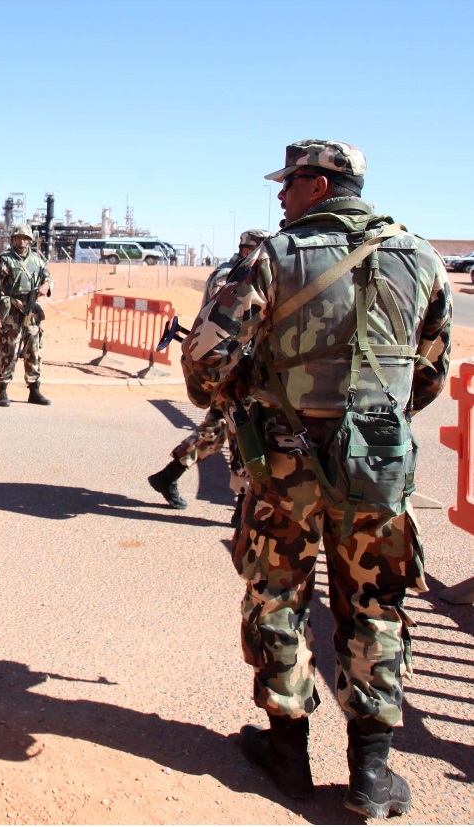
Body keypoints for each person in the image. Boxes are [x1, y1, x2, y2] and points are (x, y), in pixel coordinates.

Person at [181, 140, 451, 818]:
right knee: (375, 606)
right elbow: (431, 370)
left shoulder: (273, 258)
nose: (280, 196)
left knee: (278, 597)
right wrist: (372, 425)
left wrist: (253, 393)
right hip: (378, 471)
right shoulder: (422, 257)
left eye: (290, 183)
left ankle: (288, 755)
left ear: (321, 186)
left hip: (284, 469)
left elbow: (204, 367)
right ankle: (371, 774)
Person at [147, 228, 271, 511]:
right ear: (247, 249)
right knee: (244, 430)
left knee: (218, 429)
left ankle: (168, 476)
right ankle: (242, 504)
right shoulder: (230, 277)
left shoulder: (238, 273)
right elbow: (226, 328)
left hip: (238, 367)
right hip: (229, 367)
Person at [0, 222, 53, 407]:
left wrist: (46, 286)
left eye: (25, 238)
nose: (22, 241)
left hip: (31, 310)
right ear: (13, 239)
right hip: (11, 312)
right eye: (18, 238)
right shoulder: (6, 259)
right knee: (8, 349)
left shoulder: (37, 260)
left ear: (30, 240)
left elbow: (48, 276)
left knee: (34, 349)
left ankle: (34, 389)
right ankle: (2, 389)